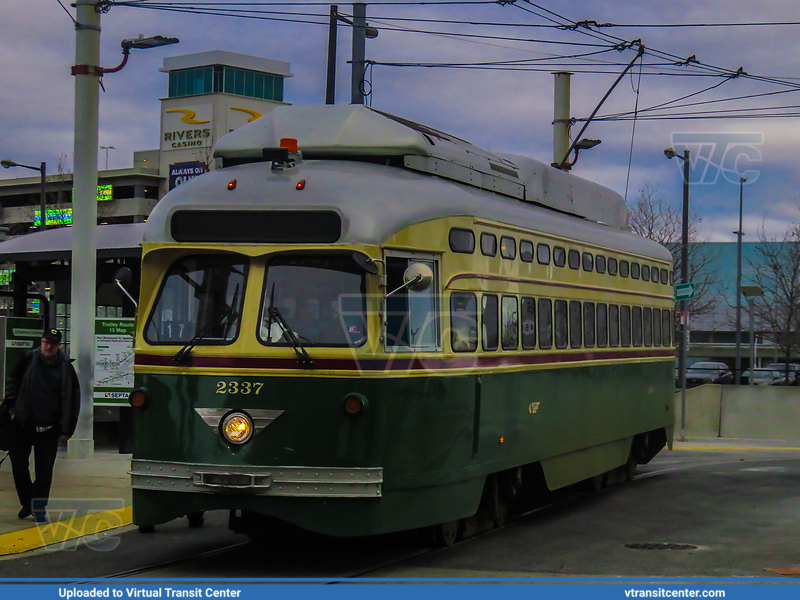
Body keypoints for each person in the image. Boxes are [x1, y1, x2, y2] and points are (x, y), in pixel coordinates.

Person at [4, 328, 80, 522]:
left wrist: (67, 429)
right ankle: (27, 502)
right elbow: (12, 382)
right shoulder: (28, 359)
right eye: (45, 342)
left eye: (52, 344)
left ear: (59, 346)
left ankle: (37, 507)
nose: (48, 346)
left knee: (44, 472)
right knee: (19, 466)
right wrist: (12, 409)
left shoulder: (66, 367)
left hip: (49, 428)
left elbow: (73, 400)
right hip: (22, 424)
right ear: (41, 342)